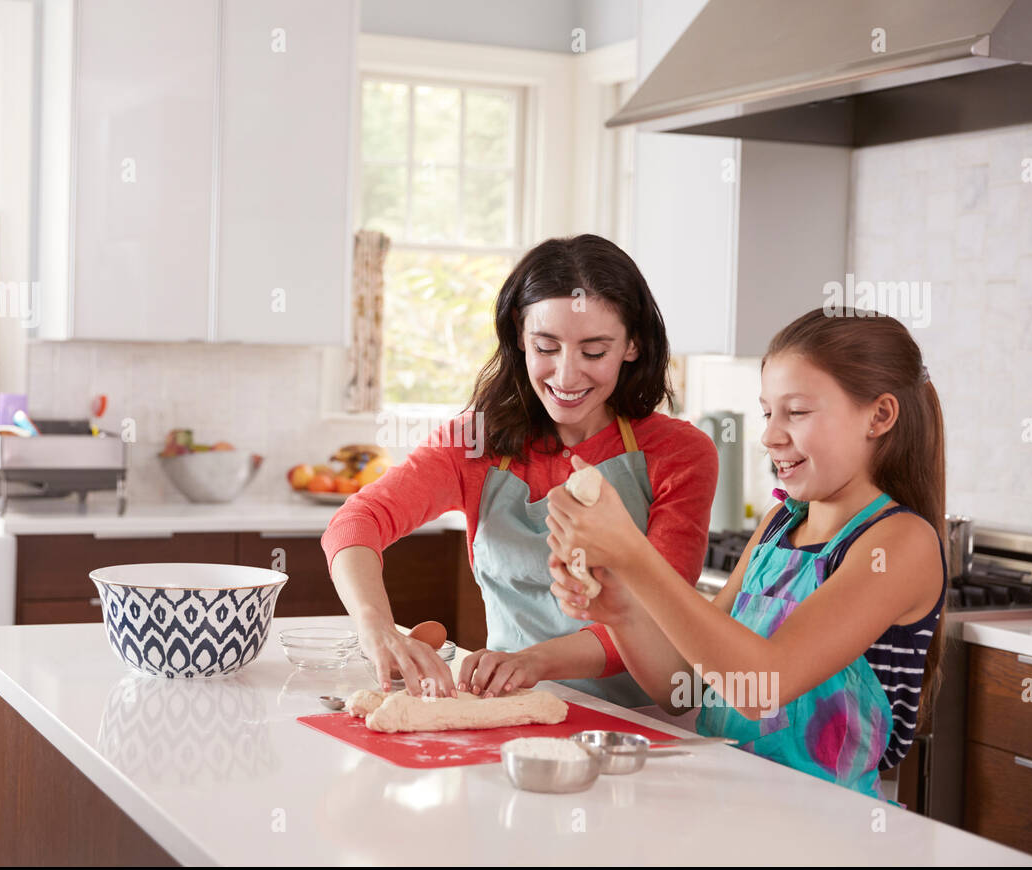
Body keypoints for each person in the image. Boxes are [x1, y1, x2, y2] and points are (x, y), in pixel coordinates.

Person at [546, 308, 948, 801]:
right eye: (767, 412)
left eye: (796, 412)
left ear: (879, 416)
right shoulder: (779, 525)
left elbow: (764, 686)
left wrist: (635, 555)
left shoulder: (899, 543)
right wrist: (622, 611)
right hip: (729, 807)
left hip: (830, 831)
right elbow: (681, 687)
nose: (770, 435)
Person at [322, 234, 717, 705]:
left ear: (632, 344)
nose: (567, 376)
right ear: (518, 336)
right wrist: (377, 627)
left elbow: (660, 616)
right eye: (546, 347)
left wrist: (535, 661)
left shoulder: (679, 453)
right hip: (510, 709)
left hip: (643, 721)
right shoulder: (475, 443)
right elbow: (356, 522)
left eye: (594, 352)